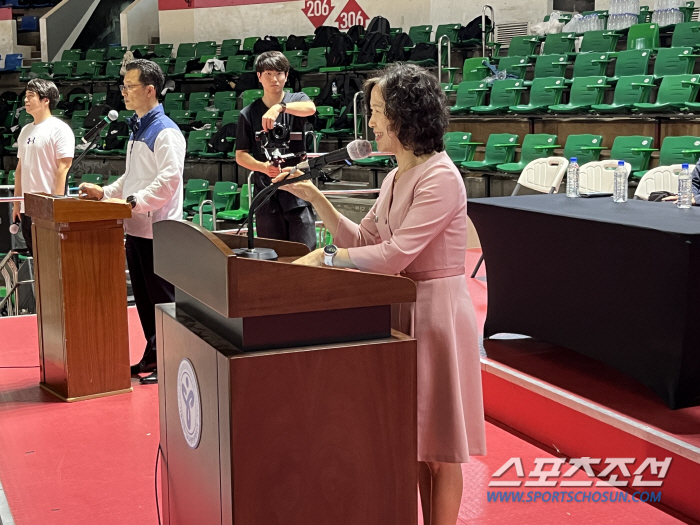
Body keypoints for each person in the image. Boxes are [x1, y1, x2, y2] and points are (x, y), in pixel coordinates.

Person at [275, 63, 486, 525]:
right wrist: (318, 201)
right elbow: (364, 242)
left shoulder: (440, 177)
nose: (369, 124)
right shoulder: (393, 176)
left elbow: (395, 256)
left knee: (441, 452)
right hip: (402, 310)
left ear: (404, 116)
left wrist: (326, 259)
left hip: (436, 315)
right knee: (412, 443)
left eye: (375, 112)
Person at [78, 59, 186, 386]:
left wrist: (133, 203)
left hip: (159, 230)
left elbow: (169, 179)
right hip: (137, 228)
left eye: (130, 86)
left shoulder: (165, 130)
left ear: (150, 90)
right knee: (144, 300)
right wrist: (106, 192)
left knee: (164, 302)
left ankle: (172, 362)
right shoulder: (139, 127)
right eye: (123, 86)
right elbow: (135, 176)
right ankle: (153, 357)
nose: (123, 92)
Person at [235, 51, 317, 250]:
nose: (274, 79)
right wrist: (263, 167)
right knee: (271, 252)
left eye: (279, 73)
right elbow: (241, 155)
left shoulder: (297, 99)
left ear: (286, 76)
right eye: (268, 73)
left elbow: (311, 108)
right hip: (266, 191)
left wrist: (280, 108)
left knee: (304, 250)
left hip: (298, 188)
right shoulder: (248, 114)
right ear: (259, 76)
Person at [12, 79, 74, 255]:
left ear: (45, 100)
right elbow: (20, 170)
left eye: (31, 96)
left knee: (52, 258)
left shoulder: (59, 129)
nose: (26, 100)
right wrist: (17, 203)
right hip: (27, 207)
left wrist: (57, 204)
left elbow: (64, 168)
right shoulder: (25, 131)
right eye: (25, 96)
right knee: (36, 257)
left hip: (48, 207)